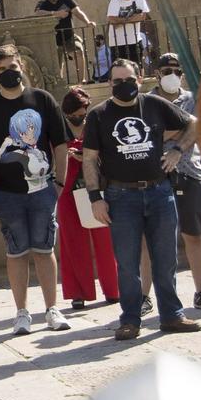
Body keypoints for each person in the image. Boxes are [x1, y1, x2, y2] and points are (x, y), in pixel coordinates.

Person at [82, 61, 200, 341]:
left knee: (166, 258)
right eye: (118, 80)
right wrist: (95, 198)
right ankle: (130, 319)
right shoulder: (99, 115)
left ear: (140, 79)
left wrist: (177, 151)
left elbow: (193, 124)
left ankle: (171, 315)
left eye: (129, 78)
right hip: (120, 197)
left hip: (160, 192)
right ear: (109, 83)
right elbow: (89, 159)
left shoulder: (155, 105)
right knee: (126, 263)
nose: (124, 84)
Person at [0, 43, 72, 334]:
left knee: (44, 249)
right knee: (15, 253)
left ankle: (52, 310)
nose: (8, 73)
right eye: (1, 69)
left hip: (43, 190)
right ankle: (22, 313)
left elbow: (61, 144)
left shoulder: (42, 100)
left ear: (22, 67)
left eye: (12, 67)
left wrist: (60, 182)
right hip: (6, 194)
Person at [145, 53, 201, 310]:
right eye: (167, 69)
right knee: (150, 238)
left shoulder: (191, 99)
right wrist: (185, 128)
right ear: (157, 72)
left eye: (177, 70)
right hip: (156, 175)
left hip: (189, 172)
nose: (172, 74)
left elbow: (199, 128)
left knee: (193, 233)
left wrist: (179, 139)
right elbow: (153, 132)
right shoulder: (147, 101)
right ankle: (144, 296)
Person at [56, 85, 120, 310]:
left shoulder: (95, 123)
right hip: (67, 191)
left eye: (84, 111)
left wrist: (88, 156)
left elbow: (108, 150)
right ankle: (78, 293)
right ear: (67, 112)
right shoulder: (58, 127)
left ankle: (113, 290)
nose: (80, 117)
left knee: (105, 242)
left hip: (96, 189)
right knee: (72, 243)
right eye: (76, 113)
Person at [34, 0, 94, 84]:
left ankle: (81, 80)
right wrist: (56, 14)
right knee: (57, 64)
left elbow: (77, 11)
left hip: (68, 36)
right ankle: (59, 84)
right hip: (53, 40)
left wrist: (87, 22)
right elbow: (38, 13)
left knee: (78, 51)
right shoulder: (43, 3)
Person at [105, 0, 152, 68]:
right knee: (118, 67)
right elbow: (111, 19)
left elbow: (142, 16)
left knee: (137, 66)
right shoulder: (115, 0)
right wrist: (131, 19)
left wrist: (121, 21)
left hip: (134, 39)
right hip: (116, 41)